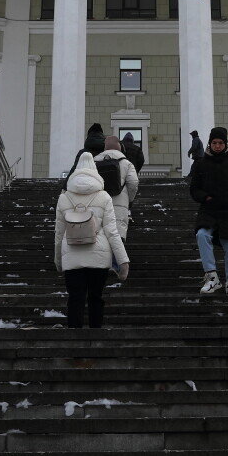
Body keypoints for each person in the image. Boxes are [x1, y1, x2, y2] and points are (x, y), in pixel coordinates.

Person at [54, 152, 130, 328]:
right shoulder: (104, 197)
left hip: (71, 255)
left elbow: (59, 233)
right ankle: (96, 336)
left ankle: (74, 339)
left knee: (75, 298)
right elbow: (112, 231)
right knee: (96, 298)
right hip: (99, 255)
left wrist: (58, 260)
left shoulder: (64, 197)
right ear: (95, 171)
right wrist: (123, 261)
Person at [189, 127, 228, 296]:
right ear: (210, 144)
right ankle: (212, 277)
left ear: (225, 144)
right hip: (209, 209)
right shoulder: (201, 164)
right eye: (214, 143)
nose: (217, 146)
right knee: (202, 235)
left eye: (220, 143)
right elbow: (194, 189)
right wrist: (205, 197)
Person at [93, 136, 140, 239]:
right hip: (119, 209)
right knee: (117, 242)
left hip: (98, 209)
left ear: (105, 147)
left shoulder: (93, 162)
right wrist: (129, 200)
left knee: (99, 243)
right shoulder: (126, 163)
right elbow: (133, 183)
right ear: (120, 147)